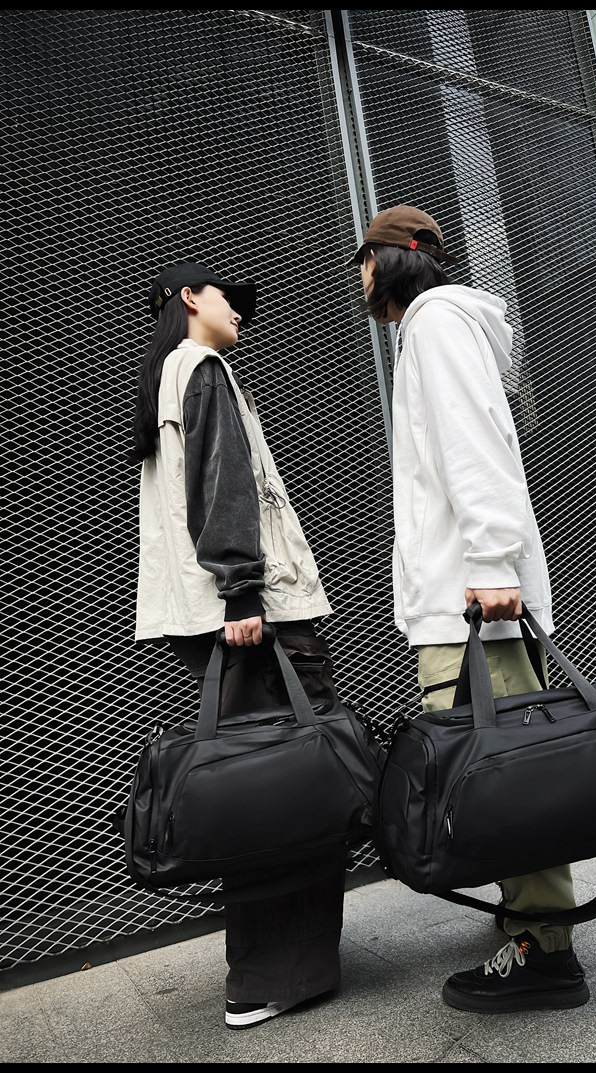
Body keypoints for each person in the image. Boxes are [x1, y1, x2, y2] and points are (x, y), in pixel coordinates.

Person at [350, 206, 589, 1013]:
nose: (360, 277)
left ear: (391, 259)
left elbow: (473, 440)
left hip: (471, 600)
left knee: (501, 768)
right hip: (465, 596)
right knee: (494, 763)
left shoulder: (435, 322)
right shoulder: (439, 326)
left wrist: (488, 561)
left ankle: (545, 948)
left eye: (364, 259)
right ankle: (532, 918)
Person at [131, 259, 344, 1031]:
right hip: (255, 612)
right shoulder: (203, 367)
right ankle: (272, 975)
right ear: (191, 298)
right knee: (297, 784)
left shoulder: (166, 377)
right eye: (230, 298)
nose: (241, 313)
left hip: (211, 613)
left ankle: (269, 968)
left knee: (262, 788)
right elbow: (222, 486)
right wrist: (243, 589)